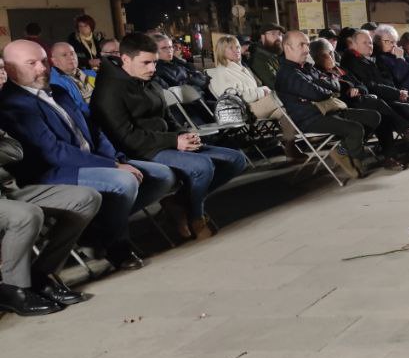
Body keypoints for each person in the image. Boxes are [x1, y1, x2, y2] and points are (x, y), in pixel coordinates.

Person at [0, 40, 173, 271]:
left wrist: (116, 159)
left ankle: (94, 229)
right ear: (10, 68)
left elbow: (94, 129)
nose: (42, 68)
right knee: (124, 182)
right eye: (31, 63)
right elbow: (54, 152)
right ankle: (115, 244)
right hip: (55, 172)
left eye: (43, 61)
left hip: (93, 160)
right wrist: (113, 167)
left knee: (163, 176)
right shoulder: (12, 104)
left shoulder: (59, 91)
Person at [92, 33, 248, 241]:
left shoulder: (149, 81)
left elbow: (168, 119)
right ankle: (196, 217)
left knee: (236, 159)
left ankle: (178, 204)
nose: (152, 68)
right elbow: (125, 138)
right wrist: (174, 141)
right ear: (126, 60)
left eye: (155, 62)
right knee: (201, 166)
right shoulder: (109, 90)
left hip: (165, 143)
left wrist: (184, 135)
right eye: (146, 63)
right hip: (139, 151)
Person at [0, 126, 100, 315]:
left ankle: (38, 275)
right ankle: (12, 289)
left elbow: (14, 149)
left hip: (9, 191)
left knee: (86, 199)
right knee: (26, 215)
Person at [275, 31, 385, 178]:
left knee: (373, 117)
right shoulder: (287, 74)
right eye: (301, 45)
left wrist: (320, 85)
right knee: (355, 128)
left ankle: (342, 151)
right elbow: (318, 93)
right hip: (310, 118)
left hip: (329, 110)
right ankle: (355, 156)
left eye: (307, 44)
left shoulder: (306, 67)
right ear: (288, 48)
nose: (307, 49)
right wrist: (323, 87)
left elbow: (335, 84)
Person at [310, 38, 409, 167]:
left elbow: (362, 85)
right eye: (328, 54)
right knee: (379, 107)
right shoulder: (317, 73)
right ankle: (406, 132)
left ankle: (391, 155)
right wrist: (344, 85)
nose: (332, 56)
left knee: (382, 114)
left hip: (361, 101)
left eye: (332, 53)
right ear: (317, 57)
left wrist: (358, 89)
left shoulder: (340, 69)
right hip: (344, 106)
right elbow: (332, 92)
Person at [341, 29, 409, 160]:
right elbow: (372, 85)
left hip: (391, 95)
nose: (369, 45)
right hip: (377, 101)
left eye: (370, 43)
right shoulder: (356, 60)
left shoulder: (372, 59)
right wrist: (397, 92)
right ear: (354, 45)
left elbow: (390, 80)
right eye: (365, 43)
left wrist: (399, 91)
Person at [206, 35, 300, 157]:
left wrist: (262, 91)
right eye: (231, 48)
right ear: (222, 51)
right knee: (283, 96)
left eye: (238, 47)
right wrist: (262, 92)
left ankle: (290, 148)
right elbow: (233, 99)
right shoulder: (221, 72)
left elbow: (255, 89)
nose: (237, 50)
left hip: (257, 105)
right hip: (243, 110)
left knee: (286, 112)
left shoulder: (241, 68)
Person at [48, 42, 95, 114]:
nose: (71, 57)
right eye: (64, 55)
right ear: (54, 61)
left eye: (72, 53)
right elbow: (74, 109)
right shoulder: (54, 83)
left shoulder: (91, 73)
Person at [249, 24, 285, 89]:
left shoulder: (274, 54)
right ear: (263, 37)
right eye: (273, 34)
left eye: (279, 34)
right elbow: (275, 85)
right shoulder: (258, 59)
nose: (278, 38)